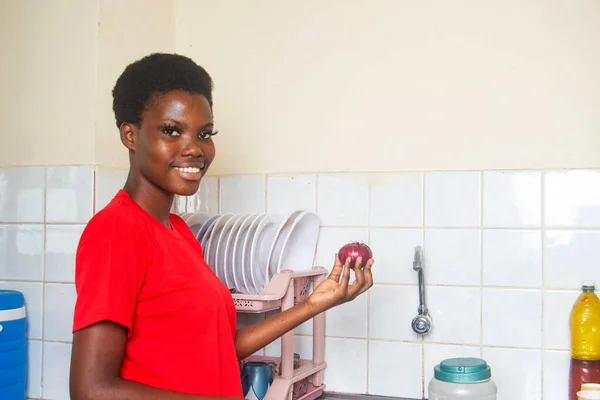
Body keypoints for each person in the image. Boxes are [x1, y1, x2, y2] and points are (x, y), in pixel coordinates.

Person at [69, 53, 374, 400]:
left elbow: (218, 351)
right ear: (130, 135)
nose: (195, 149)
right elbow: (92, 390)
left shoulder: (179, 233)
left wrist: (314, 305)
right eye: (172, 130)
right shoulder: (116, 232)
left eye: (204, 133)